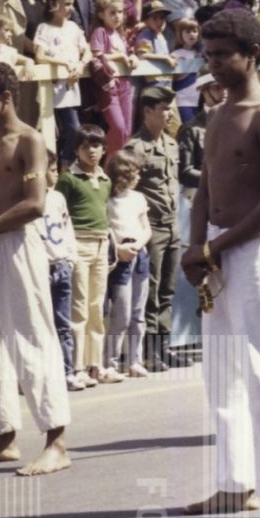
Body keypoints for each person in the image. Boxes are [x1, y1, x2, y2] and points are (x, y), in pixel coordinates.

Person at [180, 9, 260, 518]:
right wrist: (195, 248)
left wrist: (216, 248)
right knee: (222, 371)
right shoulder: (218, 114)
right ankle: (235, 482)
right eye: (208, 55)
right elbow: (205, 188)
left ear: (252, 55)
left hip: (254, 250)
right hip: (216, 248)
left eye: (223, 55)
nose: (214, 64)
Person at [0, 62, 71, 472]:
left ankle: (56, 442)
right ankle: (3, 437)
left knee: (31, 338)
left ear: (6, 97)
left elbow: (35, 204)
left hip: (19, 246)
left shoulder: (30, 140)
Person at [125, 84, 189, 372]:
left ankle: (164, 346)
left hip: (172, 226)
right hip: (151, 228)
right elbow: (126, 191)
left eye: (171, 109)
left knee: (167, 290)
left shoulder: (172, 145)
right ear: (148, 111)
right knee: (150, 292)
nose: (170, 114)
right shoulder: (135, 148)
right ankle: (150, 352)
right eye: (164, 109)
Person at [55, 124, 118, 387]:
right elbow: (59, 213)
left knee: (97, 306)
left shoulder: (105, 180)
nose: (91, 151)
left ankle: (96, 366)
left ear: (104, 149)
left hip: (101, 245)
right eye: (84, 147)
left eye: (96, 146)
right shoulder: (68, 179)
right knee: (79, 308)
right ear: (76, 150)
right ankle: (77, 366)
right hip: (78, 244)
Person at [35, 148, 82, 392]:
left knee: (63, 324)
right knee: (39, 325)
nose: (55, 175)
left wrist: (70, 258)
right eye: (51, 171)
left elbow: (66, 228)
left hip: (61, 264)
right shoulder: (28, 199)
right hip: (40, 267)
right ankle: (42, 374)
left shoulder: (58, 198)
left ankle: (67, 372)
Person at [104, 149, 151, 378]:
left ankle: (135, 360)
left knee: (138, 312)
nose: (139, 177)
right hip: (120, 256)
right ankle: (110, 362)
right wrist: (119, 249)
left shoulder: (138, 198)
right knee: (121, 313)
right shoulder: (107, 199)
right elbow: (107, 229)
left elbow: (146, 228)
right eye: (135, 172)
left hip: (139, 255)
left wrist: (139, 244)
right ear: (124, 173)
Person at [33, 0, 90, 166]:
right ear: (53, 5)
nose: (70, 8)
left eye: (72, 4)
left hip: (69, 90)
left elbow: (87, 50)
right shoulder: (44, 28)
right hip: (51, 89)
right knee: (48, 132)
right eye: (66, 4)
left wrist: (81, 64)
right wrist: (63, 62)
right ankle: (48, 169)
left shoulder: (73, 27)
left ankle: (65, 165)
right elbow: (40, 56)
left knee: (74, 130)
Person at [89, 0, 140, 157]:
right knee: (118, 128)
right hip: (109, 86)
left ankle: (120, 163)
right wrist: (120, 57)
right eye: (112, 12)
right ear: (101, 14)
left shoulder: (120, 35)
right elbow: (96, 55)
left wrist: (132, 57)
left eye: (120, 12)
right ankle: (110, 164)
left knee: (127, 131)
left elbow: (128, 53)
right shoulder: (100, 32)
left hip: (125, 85)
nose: (117, 16)